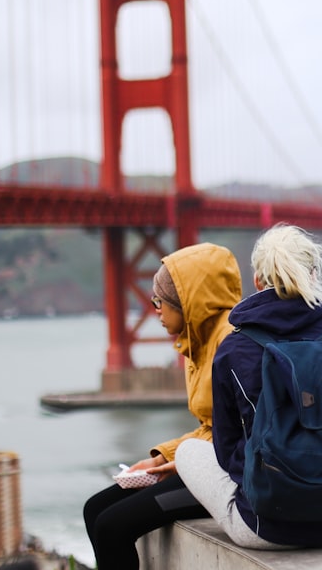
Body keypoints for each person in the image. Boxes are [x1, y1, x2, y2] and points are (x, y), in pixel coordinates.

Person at [176, 223, 322, 549]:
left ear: (257, 280)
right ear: (313, 275)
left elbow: (227, 451)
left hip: (265, 530)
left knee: (188, 451)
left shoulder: (232, 350)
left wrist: (272, 477)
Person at [83, 242, 243, 570]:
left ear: (188, 301)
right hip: (208, 463)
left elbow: (243, 432)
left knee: (112, 526)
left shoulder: (232, 344)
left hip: (230, 475)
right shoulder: (195, 341)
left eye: (161, 300)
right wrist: (162, 457)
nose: (154, 308)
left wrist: (179, 463)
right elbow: (211, 427)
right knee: (94, 509)